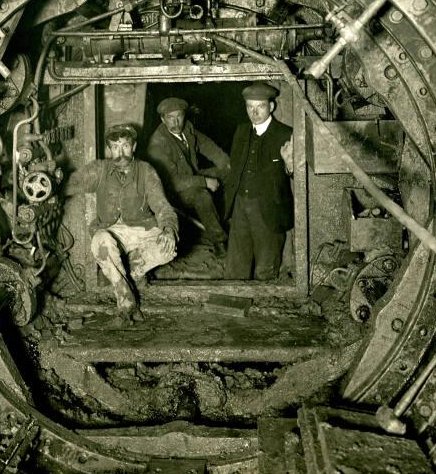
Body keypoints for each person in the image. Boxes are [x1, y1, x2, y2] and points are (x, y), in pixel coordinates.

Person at [67, 124, 178, 325]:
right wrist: (55, 180)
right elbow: (72, 183)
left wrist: (169, 230)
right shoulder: (100, 169)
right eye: (115, 147)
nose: (121, 153)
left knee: (167, 249)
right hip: (112, 230)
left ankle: (124, 273)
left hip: (143, 229)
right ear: (109, 149)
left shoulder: (145, 170)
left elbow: (163, 207)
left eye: (125, 146)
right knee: (100, 241)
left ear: (134, 147)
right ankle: (127, 303)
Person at [224, 82, 294, 280]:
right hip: (240, 203)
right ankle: (234, 298)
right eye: (250, 107)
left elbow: (297, 175)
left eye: (260, 106)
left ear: (271, 106)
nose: (254, 112)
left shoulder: (285, 133)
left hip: (269, 206)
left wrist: (290, 165)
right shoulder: (241, 131)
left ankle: (263, 304)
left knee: (266, 266)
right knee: (236, 264)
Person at [146, 97, 231, 257]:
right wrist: (205, 181)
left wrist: (226, 163)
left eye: (179, 116)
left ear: (184, 116)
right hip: (173, 191)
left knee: (230, 173)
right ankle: (220, 241)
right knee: (201, 195)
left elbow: (207, 146)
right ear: (162, 119)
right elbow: (173, 182)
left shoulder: (187, 128)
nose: (176, 122)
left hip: (192, 177)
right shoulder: (158, 144)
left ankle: (227, 219)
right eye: (170, 118)